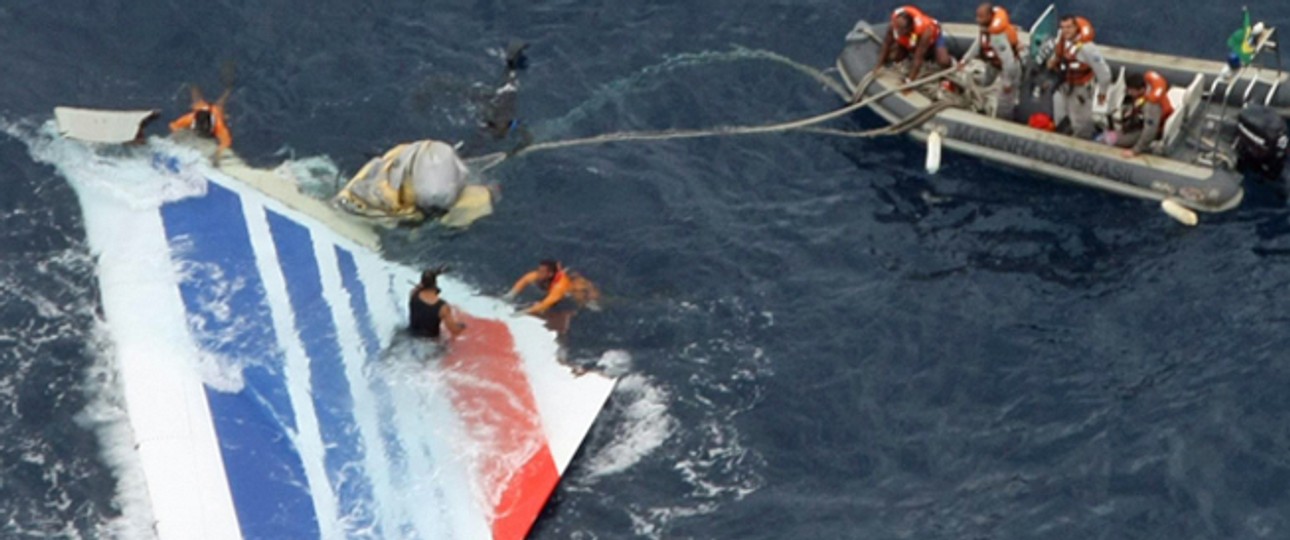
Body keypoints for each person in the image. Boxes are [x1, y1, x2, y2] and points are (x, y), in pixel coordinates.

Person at [1045, 15, 1112, 139]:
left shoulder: (1088, 49)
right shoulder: (1062, 38)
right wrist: (1053, 61)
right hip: (1063, 84)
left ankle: (1083, 139)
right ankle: (1063, 135)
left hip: (1080, 89)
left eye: (1069, 27)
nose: (1066, 31)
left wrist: (1102, 93)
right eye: (1063, 27)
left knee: (1080, 121)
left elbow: (1104, 74)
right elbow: (1059, 54)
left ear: (1076, 28)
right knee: (1060, 114)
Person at [960, 2, 1021, 119]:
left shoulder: (998, 37)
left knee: (1005, 101)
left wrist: (1007, 82)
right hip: (993, 65)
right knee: (984, 82)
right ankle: (980, 102)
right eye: (977, 16)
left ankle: (1004, 121)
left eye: (981, 17)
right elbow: (978, 44)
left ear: (989, 16)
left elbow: (1009, 61)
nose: (977, 20)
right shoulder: (985, 29)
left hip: (1006, 69)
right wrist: (965, 60)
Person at [870, 5, 953, 84]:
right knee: (895, 57)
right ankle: (904, 55)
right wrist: (878, 66)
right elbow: (886, 44)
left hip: (932, 40)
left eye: (901, 30)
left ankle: (952, 64)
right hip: (909, 42)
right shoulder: (894, 25)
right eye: (897, 27)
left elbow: (918, 57)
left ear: (909, 28)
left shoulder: (925, 32)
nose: (897, 31)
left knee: (943, 61)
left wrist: (909, 80)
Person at [1111, 71, 1174, 158]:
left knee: (1111, 139)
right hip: (1140, 119)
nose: (1129, 93)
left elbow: (1150, 131)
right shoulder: (1148, 89)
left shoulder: (1151, 106)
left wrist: (1135, 151)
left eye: (1131, 91)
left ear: (1141, 89)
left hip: (1152, 130)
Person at [506, 259, 600, 316]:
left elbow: (546, 304)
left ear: (550, 274)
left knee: (590, 303)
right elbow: (524, 280)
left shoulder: (559, 287)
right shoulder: (538, 276)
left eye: (542, 272)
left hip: (573, 290)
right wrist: (511, 294)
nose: (538, 274)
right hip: (560, 281)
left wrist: (525, 311)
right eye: (539, 270)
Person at [169, 85, 232, 164]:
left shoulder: (219, 125)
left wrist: (217, 153)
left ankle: (229, 89)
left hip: (216, 112)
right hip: (200, 108)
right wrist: (180, 134)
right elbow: (173, 125)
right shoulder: (190, 118)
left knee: (220, 105)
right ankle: (192, 84)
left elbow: (226, 142)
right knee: (197, 100)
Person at [408, 268, 466, 341]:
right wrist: (463, 326)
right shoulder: (443, 307)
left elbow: (419, 287)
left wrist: (433, 275)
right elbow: (454, 331)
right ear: (435, 284)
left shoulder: (413, 295)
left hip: (410, 336)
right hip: (430, 344)